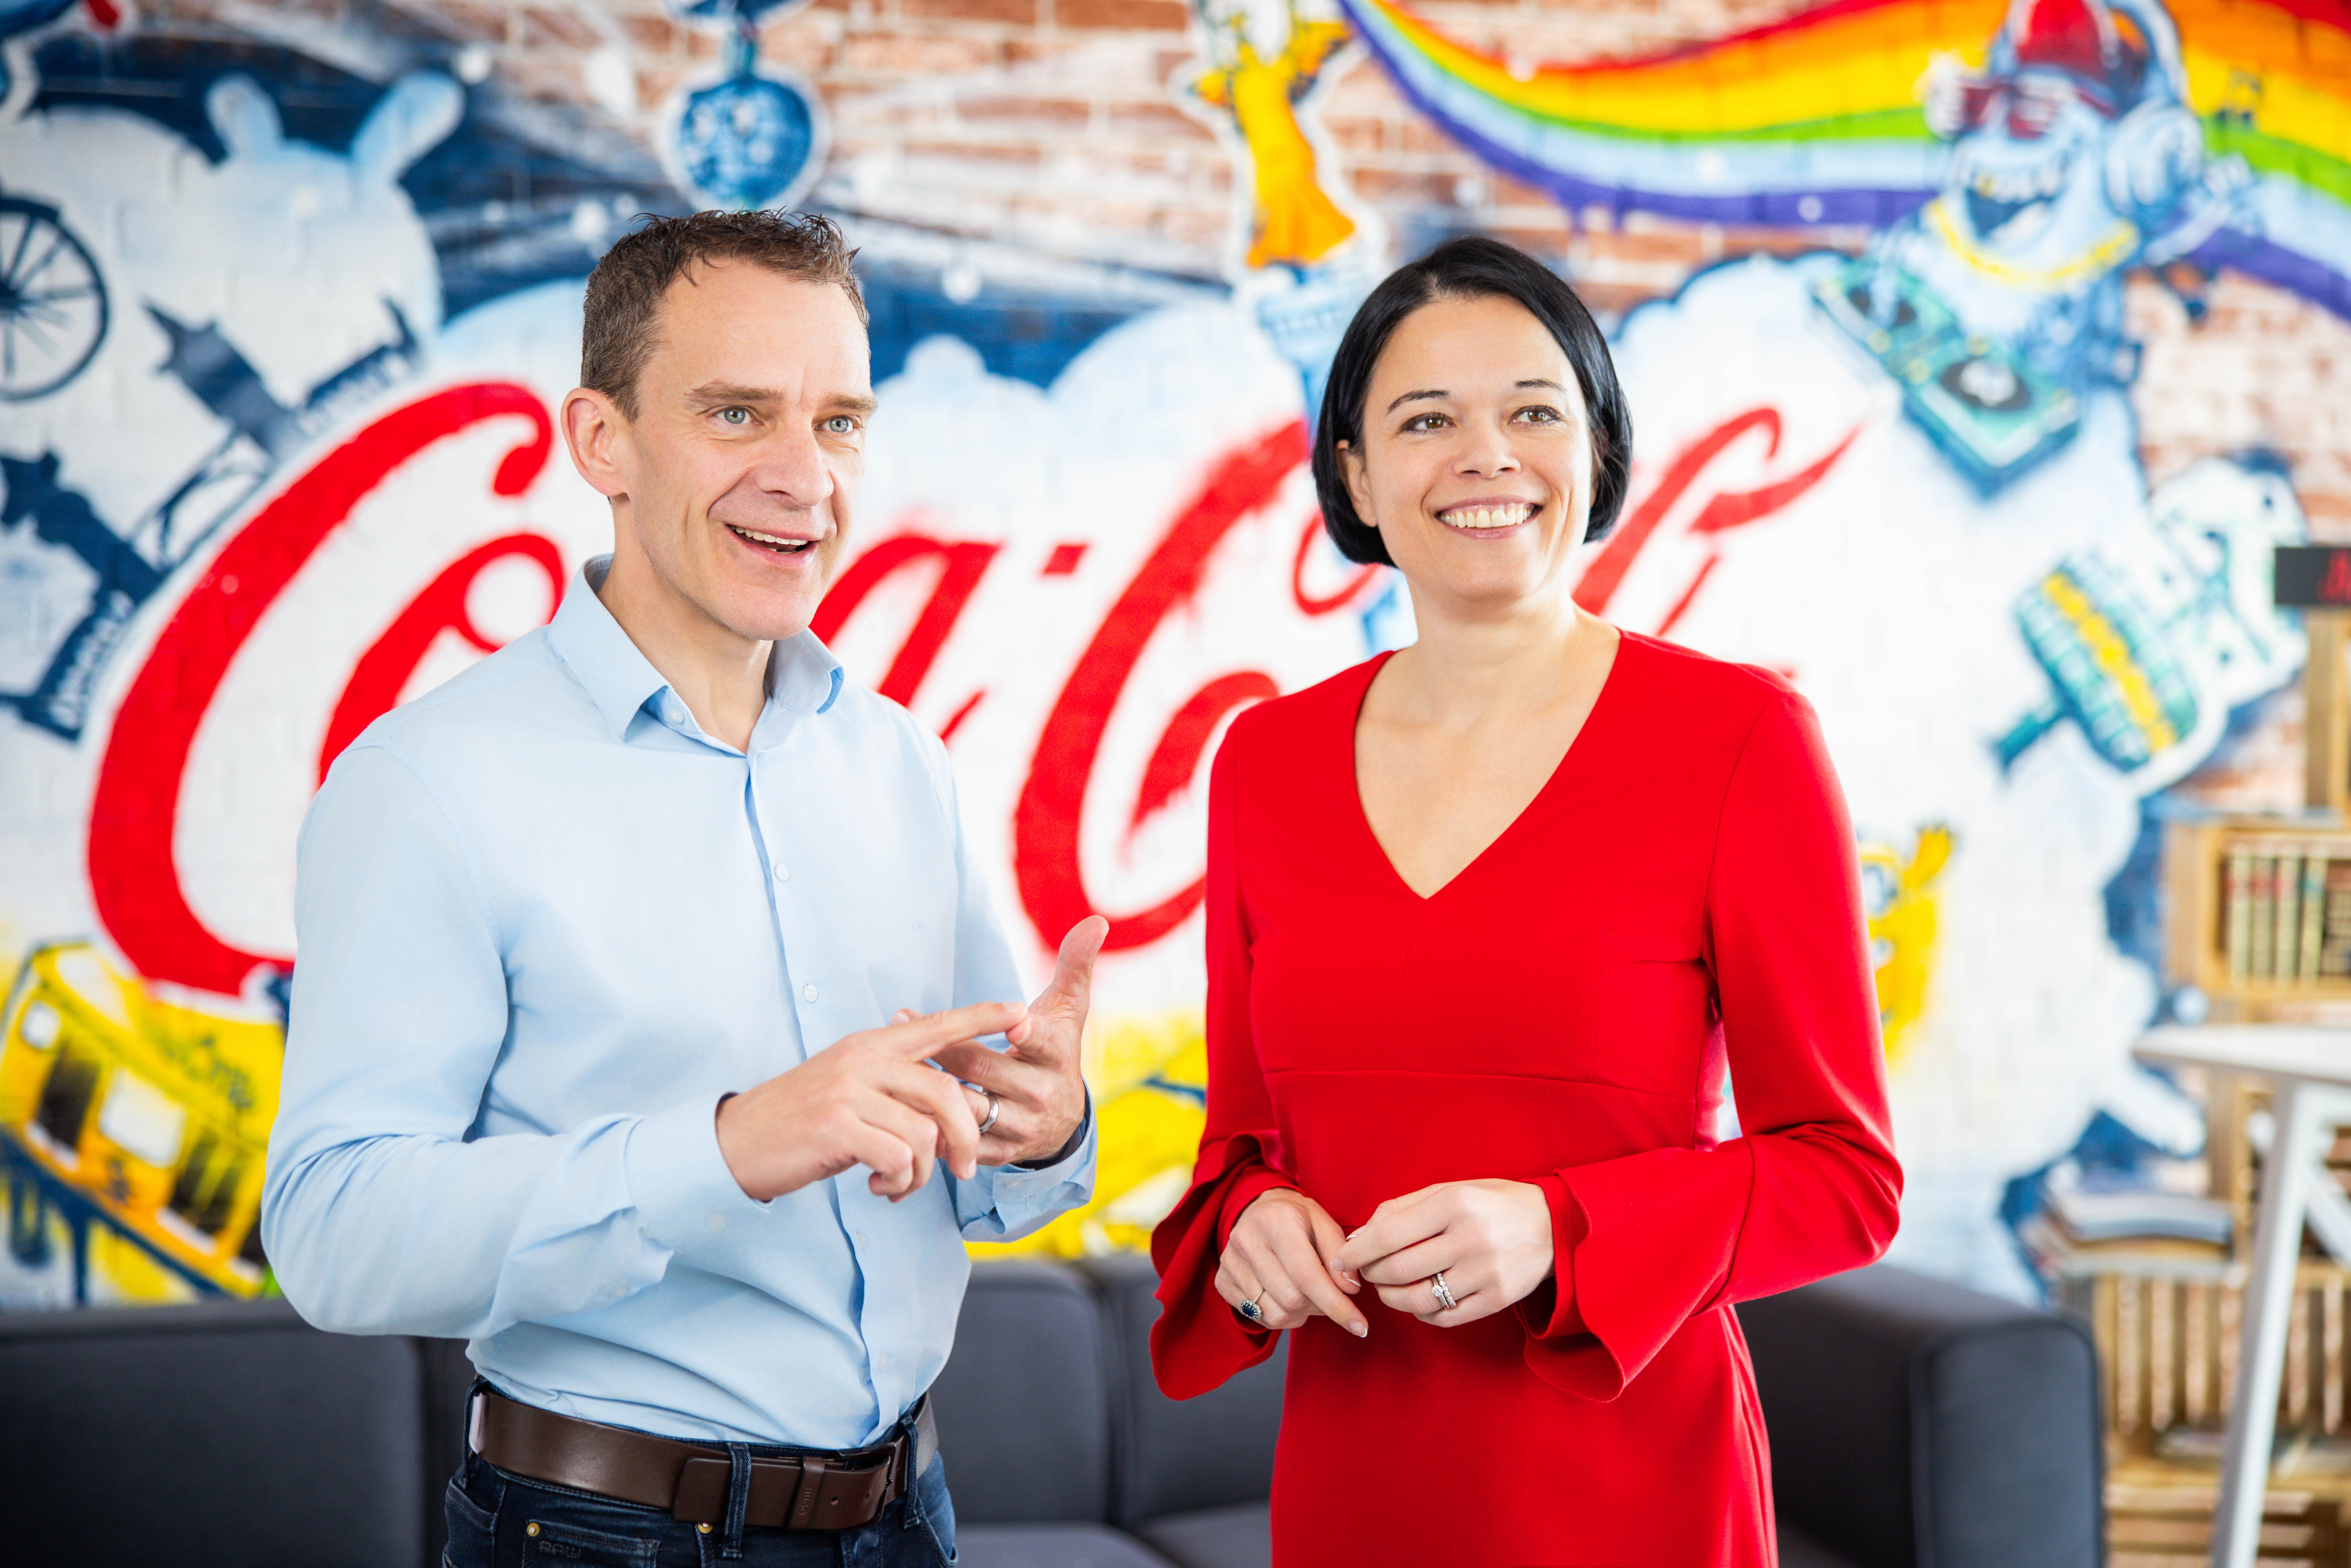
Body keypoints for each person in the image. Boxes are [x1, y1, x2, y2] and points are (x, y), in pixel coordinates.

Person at [261, 210, 1103, 1568]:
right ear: (600, 440)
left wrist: (1039, 1128)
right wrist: (718, 1149)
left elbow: (973, 1164)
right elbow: (333, 1234)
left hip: (911, 1511)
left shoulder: (897, 762)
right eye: (735, 413)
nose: (803, 477)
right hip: (606, 1532)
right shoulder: (429, 781)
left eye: (838, 423)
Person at [1148, 236, 1902, 1567]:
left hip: (1631, 1486)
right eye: (1424, 419)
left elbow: (1844, 1179)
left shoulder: (1740, 738)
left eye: (1533, 411)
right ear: (1356, 477)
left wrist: (1560, 1231)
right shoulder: (1262, 764)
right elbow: (1239, 1151)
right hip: (1352, 1483)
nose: (1485, 454)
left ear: (1597, 454)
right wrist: (1250, 1226)